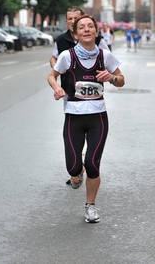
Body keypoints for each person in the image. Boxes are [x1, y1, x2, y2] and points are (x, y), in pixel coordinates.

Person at [47, 15, 125, 223]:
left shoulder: (104, 56)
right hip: (74, 116)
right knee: (73, 167)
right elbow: (51, 76)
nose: (87, 30)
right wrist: (57, 88)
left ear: (96, 31)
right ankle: (77, 172)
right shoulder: (67, 56)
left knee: (92, 163)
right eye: (82, 27)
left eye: (91, 26)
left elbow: (121, 80)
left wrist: (112, 78)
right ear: (76, 33)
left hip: (98, 117)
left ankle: (90, 206)